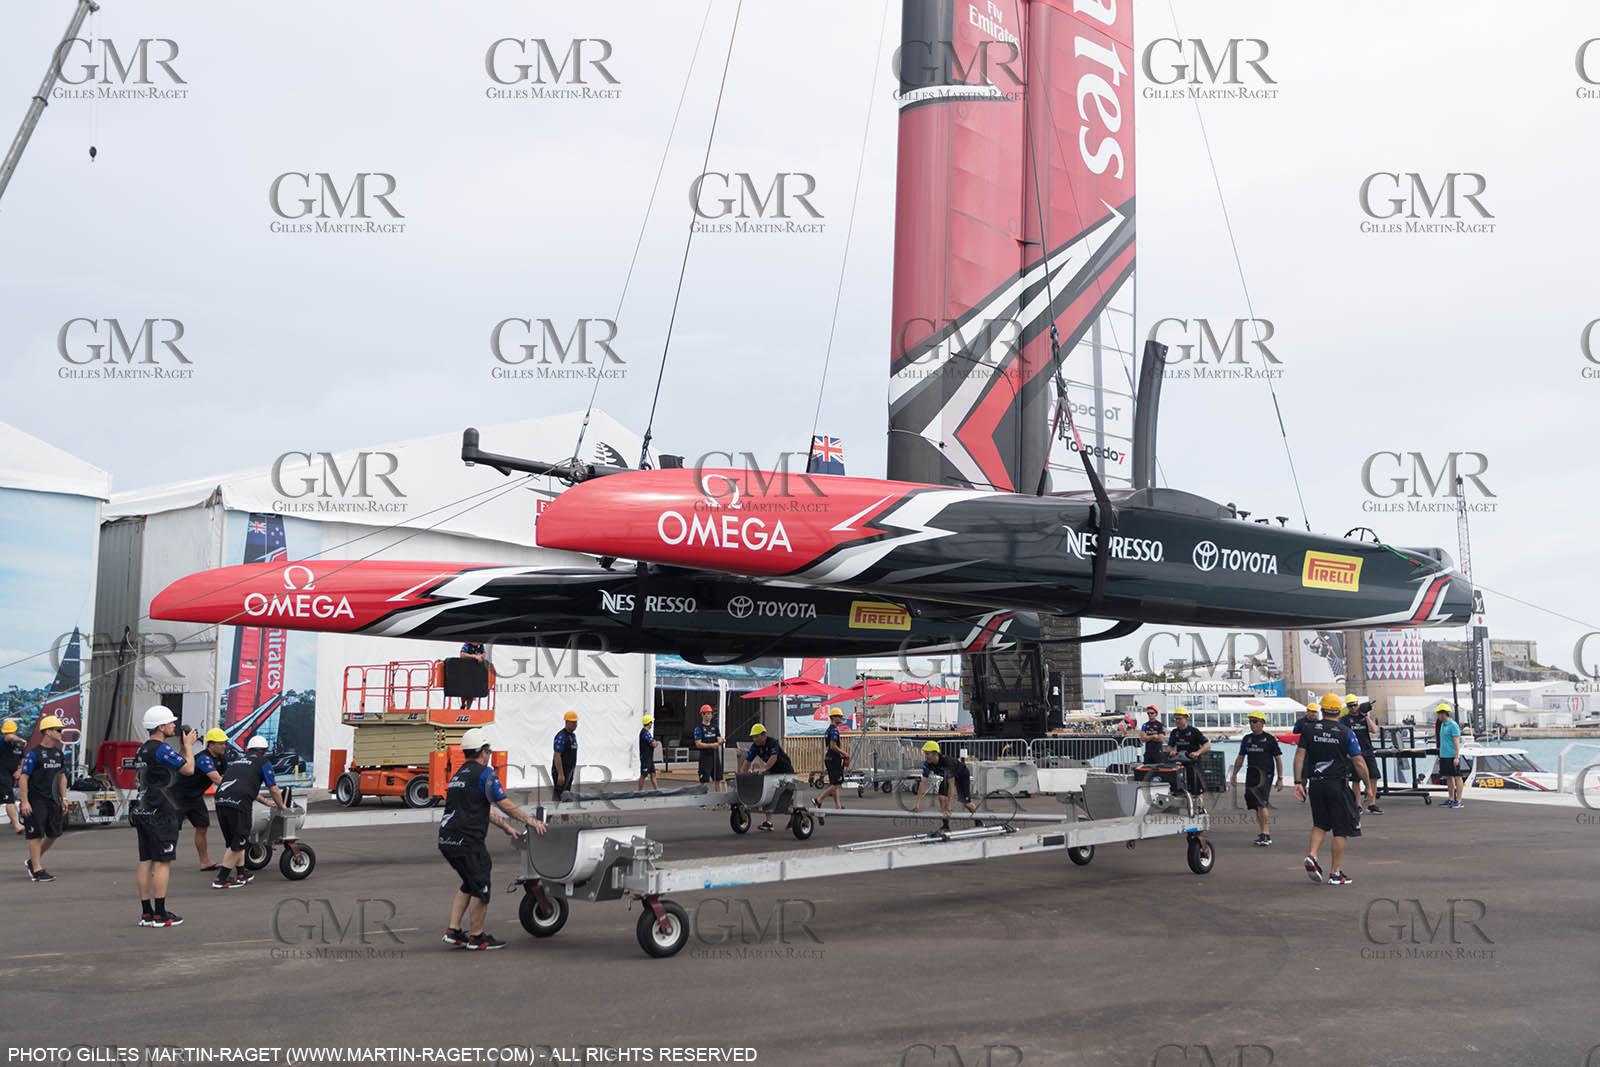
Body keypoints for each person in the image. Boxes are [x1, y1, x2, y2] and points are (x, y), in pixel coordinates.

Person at [439, 727, 547, 950]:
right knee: (481, 885)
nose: (489, 755)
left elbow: (483, 809)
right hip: (468, 842)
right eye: (488, 751)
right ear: (483, 751)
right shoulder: (485, 775)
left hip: (447, 840)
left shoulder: (459, 775)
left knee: (469, 882)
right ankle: (477, 938)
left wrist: (507, 828)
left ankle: (454, 930)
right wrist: (531, 821)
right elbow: (503, 803)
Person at [1294, 692, 1374, 886]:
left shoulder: (1309, 730)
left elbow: (1299, 756)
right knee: (1340, 829)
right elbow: (1359, 761)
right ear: (1339, 711)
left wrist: (1298, 782)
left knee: (1320, 824)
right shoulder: (1345, 732)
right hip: (1337, 784)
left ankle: (1312, 855)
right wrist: (1368, 786)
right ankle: (1335, 873)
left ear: (1322, 710)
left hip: (1316, 783)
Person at [129, 707, 196, 924]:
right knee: (163, 861)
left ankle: (146, 912)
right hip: (160, 810)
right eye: (170, 723)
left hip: (142, 807)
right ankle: (160, 913)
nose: (174, 726)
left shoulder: (142, 749)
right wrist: (187, 747)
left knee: (145, 860)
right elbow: (188, 770)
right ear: (161, 727)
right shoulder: (162, 750)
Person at [211, 735, 287, 890]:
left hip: (220, 801)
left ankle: (241, 873)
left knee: (237, 842)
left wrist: (266, 802)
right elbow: (273, 788)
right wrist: (282, 807)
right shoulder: (263, 762)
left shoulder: (238, 762)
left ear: (248, 749)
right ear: (264, 751)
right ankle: (221, 879)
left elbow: (243, 787)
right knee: (238, 842)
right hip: (239, 804)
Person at [19, 715, 70, 881]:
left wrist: (64, 798)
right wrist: (25, 801)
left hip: (53, 799)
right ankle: (37, 870)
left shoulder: (58, 753)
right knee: (36, 835)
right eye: (58, 730)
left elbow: (62, 776)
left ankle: (32, 861)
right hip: (36, 800)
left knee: (54, 834)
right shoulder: (34, 754)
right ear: (48, 732)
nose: (61, 733)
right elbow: (23, 777)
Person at [177, 728, 228, 871]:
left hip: (195, 797)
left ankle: (204, 862)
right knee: (171, 830)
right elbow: (218, 780)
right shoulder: (203, 758)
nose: (224, 746)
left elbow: (226, 779)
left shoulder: (222, 759)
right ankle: (159, 863)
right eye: (220, 744)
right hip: (177, 796)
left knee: (202, 826)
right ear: (211, 745)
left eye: (224, 743)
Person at [1230, 711, 1283, 846]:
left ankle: (1266, 834)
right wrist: (1234, 774)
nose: (1252, 724)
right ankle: (1262, 832)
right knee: (1255, 805)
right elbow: (1241, 757)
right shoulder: (1247, 739)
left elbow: (1278, 759)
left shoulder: (1269, 739)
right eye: (1250, 721)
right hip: (1251, 774)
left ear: (1262, 723)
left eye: (1255, 721)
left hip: (1266, 775)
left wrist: (1280, 778)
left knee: (1262, 803)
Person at [911, 741, 981, 832]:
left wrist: (948, 806)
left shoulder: (946, 763)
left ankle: (979, 820)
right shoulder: (927, 764)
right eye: (925, 754)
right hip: (948, 778)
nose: (925, 756)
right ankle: (945, 825)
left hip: (961, 775)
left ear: (935, 754)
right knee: (941, 798)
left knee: (965, 803)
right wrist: (917, 803)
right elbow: (923, 782)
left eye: (927, 754)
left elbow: (951, 785)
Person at [739, 725, 795, 830]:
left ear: (763, 735)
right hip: (772, 770)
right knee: (769, 793)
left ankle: (794, 818)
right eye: (753, 737)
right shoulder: (755, 746)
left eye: (756, 736)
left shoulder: (772, 742)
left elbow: (773, 758)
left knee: (788, 794)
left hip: (785, 770)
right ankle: (768, 823)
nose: (754, 739)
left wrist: (764, 768)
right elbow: (747, 761)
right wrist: (742, 775)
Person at [1342, 697, 1383, 815]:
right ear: (1347, 707)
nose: (1353, 708)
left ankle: (1372, 804)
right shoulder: (1345, 720)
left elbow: (1375, 730)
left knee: (1373, 776)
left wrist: (1365, 716)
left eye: (1355, 705)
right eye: (1350, 706)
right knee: (1355, 779)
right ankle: (1357, 805)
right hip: (1354, 753)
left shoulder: (1364, 717)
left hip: (1367, 750)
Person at [1165, 707, 1211, 801]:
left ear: (1186, 718)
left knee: (1197, 789)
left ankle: (1200, 808)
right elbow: (1170, 746)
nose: (1177, 721)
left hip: (1193, 762)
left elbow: (1207, 744)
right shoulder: (1174, 732)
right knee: (1181, 788)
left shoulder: (1194, 731)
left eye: (1180, 718)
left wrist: (1197, 752)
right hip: (1180, 763)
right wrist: (1172, 751)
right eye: (1176, 719)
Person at [813, 707, 848, 810]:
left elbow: (830, 747)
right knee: (836, 784)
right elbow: (833, 746)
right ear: (833, 717)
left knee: (835, 783)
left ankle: (838, 806)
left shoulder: (828, 730)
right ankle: (818, 800)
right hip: (833, 760)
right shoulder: (834, 731)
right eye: (839, 716)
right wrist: (844, 752)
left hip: (829, 758)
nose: (841, 718)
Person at [1436, 703, 1464, 808]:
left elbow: (1456, 742)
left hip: (1452, 755)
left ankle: (1459, 800)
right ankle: (1451, 798)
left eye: (1438, 714)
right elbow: (1442, 741)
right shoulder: (1443, 725)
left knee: (1457, 777)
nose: (1437, 717)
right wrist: (1440, 754)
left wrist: (1456, 756)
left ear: (1443, 714)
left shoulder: (1453, 725)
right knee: (1448, 777)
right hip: (1444, 755)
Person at [1, 719, 24, 835]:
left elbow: (23, 758)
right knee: (9, 799)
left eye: (11, 732)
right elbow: (8, 738)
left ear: (16, 731)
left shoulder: (19, 746)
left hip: (11, 776)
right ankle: (16, 825)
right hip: (2, 775)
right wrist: (21, 739)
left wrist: (20, 769)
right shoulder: (3, 740)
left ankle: (16, 822)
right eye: (7, 732)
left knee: (10, 799)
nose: (9, 734)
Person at [692, 704, 723, 792]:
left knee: (718, 779)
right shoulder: (699, 728)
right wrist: (712, 745)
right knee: (704, 781)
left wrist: (721, 740)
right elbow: (698, 744)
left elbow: (718, 738)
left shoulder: (715, 727)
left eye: (710, 713)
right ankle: (703, 803)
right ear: (702, 715)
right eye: (707, 714)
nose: (709, 715)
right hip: (705, 758)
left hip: (715, 757)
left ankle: (719, 801)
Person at [551, 710, 578, 799]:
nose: (575, 724)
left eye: (575, 722)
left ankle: (565, 813)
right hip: (562, 771)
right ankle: (553, 812)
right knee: (560, 795)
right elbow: (557, 755)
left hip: (569, 770)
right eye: (572, 722)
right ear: (566, 722)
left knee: (566, 794)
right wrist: (560, 774)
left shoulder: (572, 736)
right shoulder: (562, 736)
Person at [458, 642, 486, 710]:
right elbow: (462, 654)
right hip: (466, 670)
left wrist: (480, 656)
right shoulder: (467, 644)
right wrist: (474, 656)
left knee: (472, 692)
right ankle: (463, 705)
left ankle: (468, 708)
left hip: (475, 671)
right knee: (464, 690)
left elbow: (484, 654)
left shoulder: (481, 645)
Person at [636, 715, 658, 790]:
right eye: (651, 722)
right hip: (646, 758)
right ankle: (639, 791)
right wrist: (654, 743)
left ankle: (657, 790)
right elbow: (653, 744)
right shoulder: (645, 733)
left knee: (653, 774)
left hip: (649, 758)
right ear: (649, 723)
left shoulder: (646, 733)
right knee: (643, 775)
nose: (651, 724)